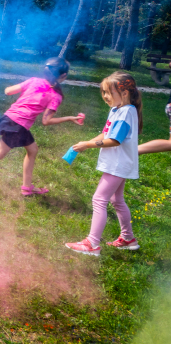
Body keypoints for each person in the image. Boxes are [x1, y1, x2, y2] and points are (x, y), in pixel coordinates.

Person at [0, 57, 84, 196]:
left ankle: (27, 188)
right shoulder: (55, 96)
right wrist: (69, 118)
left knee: (32, 150)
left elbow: (8, 91)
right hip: (18, 125)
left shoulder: (34, 81)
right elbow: (46, 121)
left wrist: (12, 89)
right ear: (63, 75)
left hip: (9, 119)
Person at [65, 71, 143, 256]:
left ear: (124, 93)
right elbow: (106, 133)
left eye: (108, 92)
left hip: (118, 164)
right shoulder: (117, 109)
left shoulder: (126, 112)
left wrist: (89, 145)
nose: (105, 96)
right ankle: (128, 238)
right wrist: (85, 143)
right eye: (103, 92)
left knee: (99, 199)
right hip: (118, 163)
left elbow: (115, 140)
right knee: (116, 199)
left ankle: (92, 244)